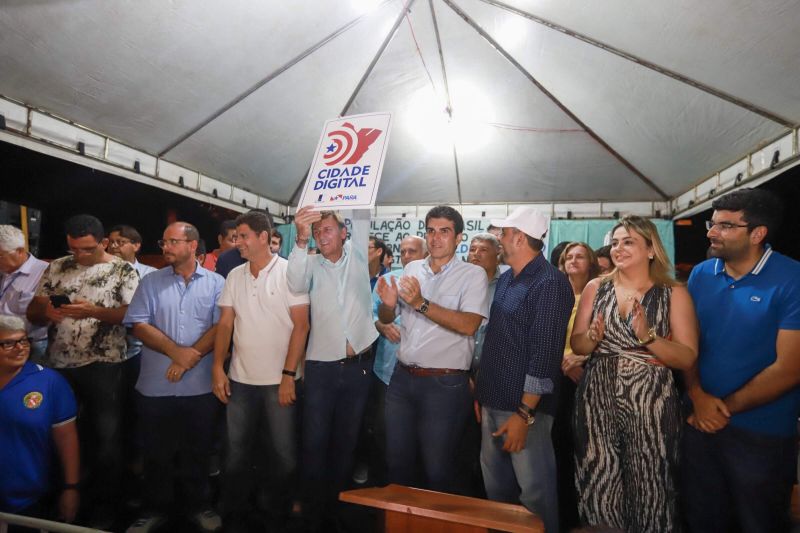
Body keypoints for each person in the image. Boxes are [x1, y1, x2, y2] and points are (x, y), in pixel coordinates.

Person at [683, 188, 800, 533]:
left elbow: (790, 368)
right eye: (712, 223)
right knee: (703, 519)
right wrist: (697, 397)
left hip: (762, 434)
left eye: (725, 226)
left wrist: (719, 409)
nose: (711, 233)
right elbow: (688, 345)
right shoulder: (702, 274)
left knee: (759, 522)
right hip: (698, 425)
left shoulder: (792, 278)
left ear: (757, 233)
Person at [571, 215, 698, 533]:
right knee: (598, 480)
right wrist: (592, 339)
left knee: (652, 485)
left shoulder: (673, 293)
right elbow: (579, 344)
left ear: (651, 249)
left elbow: (686, 356)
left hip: (652, 402)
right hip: (597, 398)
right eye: (615, 242)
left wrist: (649, 337)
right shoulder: (595, 287)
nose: (618, 248)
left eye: (628, 242)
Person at [27, 214, 139, 528]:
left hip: (104, 364)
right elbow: (32, 311)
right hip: (58, 363)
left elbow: (132, 317)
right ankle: (60, 494)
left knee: (106, 438)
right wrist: (45, 310)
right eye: (74, 249)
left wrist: (92, 311)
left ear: (104, 242)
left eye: (87, 249)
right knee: (57, 432)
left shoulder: (122, 270)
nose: (80, 256)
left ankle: (105, 505)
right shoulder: (58, 266)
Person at [474, 207, 574, 533]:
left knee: (536, 496)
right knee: (497, 494)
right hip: (494, 401)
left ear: (518, 237)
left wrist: (524, 413)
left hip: (523, 410)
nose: (499, 240)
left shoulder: (549, 283)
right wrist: (484, 394)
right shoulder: (505, 279)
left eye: (503, 234)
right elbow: (498, 341)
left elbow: (544, 355)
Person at [376, 205, 488, 492]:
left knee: (438, 471)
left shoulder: (472, 275)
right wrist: (387, 306)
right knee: (397, 465)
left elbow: (468, 325)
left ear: (459, 237)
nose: (436, 238)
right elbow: (388, 319)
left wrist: (420, 303)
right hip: (402, 381)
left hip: (445, 385)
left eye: (444, 231)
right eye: (431, 231)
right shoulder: (412, 269)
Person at [123, 222, 225, 533]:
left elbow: (222, 327)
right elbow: (137, 324)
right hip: (156, 386)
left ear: (193, 246)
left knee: (198, 451)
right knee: (156, 454)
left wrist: (189, 356)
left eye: (172, 241)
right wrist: (175, 352)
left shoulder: (217, 283)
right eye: (163, 241)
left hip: (200, 387)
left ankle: (199, 506)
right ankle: (154, 509)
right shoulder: (151, 282)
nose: (165, 247)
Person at [212, 211, 309, 529]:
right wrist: (217, 367)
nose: (237, 241)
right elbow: (225, 323)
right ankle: (235, 513)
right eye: (236, 236)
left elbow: (301, 326)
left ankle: (277, 515)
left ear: (264, 237)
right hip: (240, 379)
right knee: (236, 452)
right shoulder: (235, 275)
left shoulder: (289, 273)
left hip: (279, 382)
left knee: (282, 454)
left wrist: (287, 376)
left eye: (243, 236)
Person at [287, 206, 377, 530]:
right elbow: (294, 283)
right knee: (314, 441)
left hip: (358, 369)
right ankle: (312, 513)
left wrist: (359, 176)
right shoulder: (308, 264)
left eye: (327, 230)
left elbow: (363, 213)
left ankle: (337, 508)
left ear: (343, 233)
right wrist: (299, 236)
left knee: (346, 441)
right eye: (316, 231)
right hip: (322, 368)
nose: (320, 236)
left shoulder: (358, 257)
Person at [0, 315, 80, 524]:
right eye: (8, 343)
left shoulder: (49, 383)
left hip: (30, 502)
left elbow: (66, 440)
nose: (20, 348)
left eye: (24, 340)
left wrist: (71, 488)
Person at [368, 235, 427, 486]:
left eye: (412, 251)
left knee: (420, 439)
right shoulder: (385, 280)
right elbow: (370, 316)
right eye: (402, 252)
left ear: (424, 254)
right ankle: (386, 490)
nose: (406, 256)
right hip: (386, 371)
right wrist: (381, 324)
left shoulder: (433, 284)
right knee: (384, 434)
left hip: (422, 375)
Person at [554, 242, 600, 531]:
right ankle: (563, 514)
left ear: (591, 262)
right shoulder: (554, 295)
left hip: (586, 378)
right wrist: (562, 362)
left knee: (584, 448)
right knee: (558, 447)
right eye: (568, 257)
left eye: (579, 256)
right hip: (555, 380)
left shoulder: (599, 295)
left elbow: (606, 337)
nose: (572, 260)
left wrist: (582, 358)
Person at [0, 225, 48, 360]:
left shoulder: (44, 273)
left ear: (20, 251)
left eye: (0, 255)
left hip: (29, 345)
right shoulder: (3, 272)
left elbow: (42, 318)